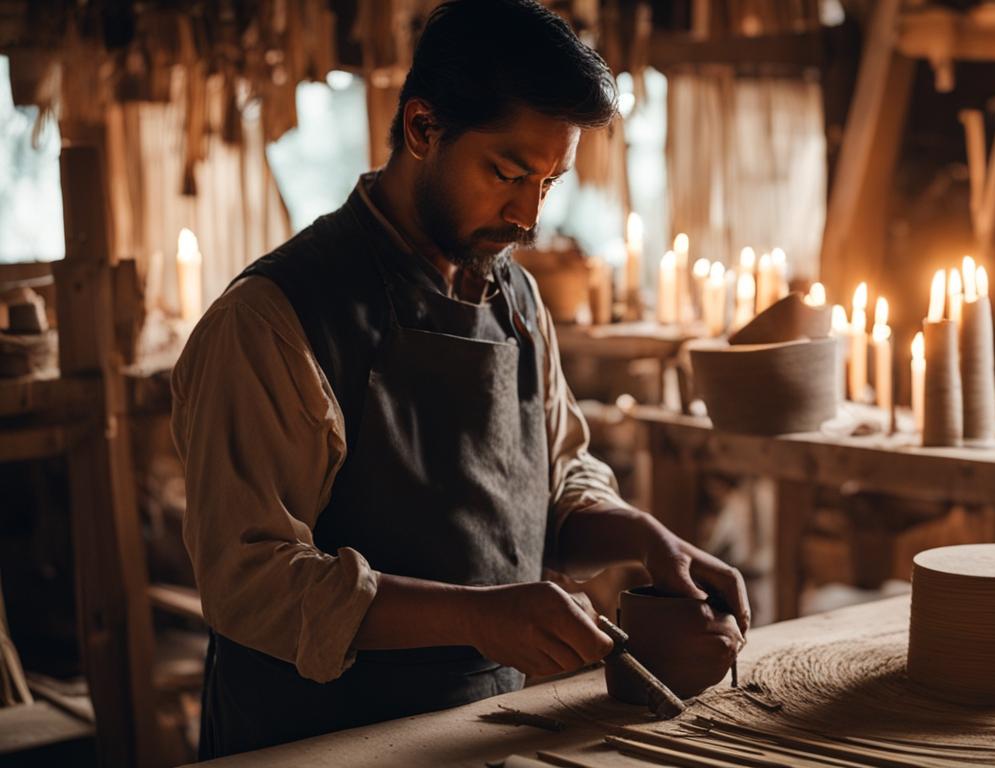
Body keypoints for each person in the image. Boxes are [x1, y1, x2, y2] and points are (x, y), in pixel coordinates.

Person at [170, 0, 748, 758]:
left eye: (550, 182)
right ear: (421, 128)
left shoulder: (515, 298)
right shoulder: (276, 319)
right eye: (508, 173)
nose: (528, 214)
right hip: (317, 742)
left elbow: (555, 477)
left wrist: (638, 534)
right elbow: (251, 580)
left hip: (482, 734)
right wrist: (477, 616)